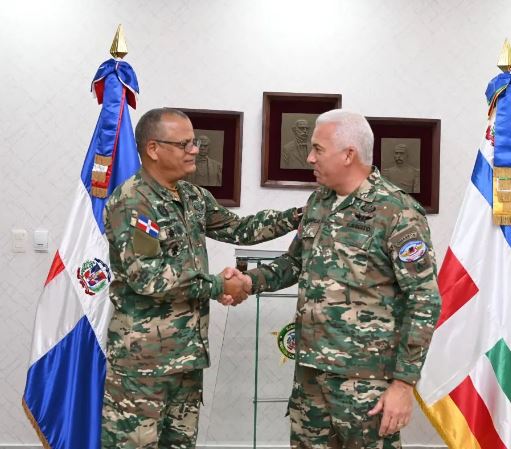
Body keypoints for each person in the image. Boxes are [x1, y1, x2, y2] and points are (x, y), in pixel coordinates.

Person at [229, 110, 440, 448]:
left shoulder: (397, 211)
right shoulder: (319, 202)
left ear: (348, 154)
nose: (309, 158)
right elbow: (294, 263)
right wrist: (247, 282)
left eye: (318, 149)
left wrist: (404, 384)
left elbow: (424, 300)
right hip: (310, 375)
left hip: (366, 382)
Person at [101, 107, 303, 449]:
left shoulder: (192, 196)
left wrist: (297, 216)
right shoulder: (134, 203)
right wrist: (220, 285)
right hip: (144, 363)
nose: (195, 150)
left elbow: (240, 229)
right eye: (185, 144)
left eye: (194, 142)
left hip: (187, 356)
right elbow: (150, 277)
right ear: (153, 149)